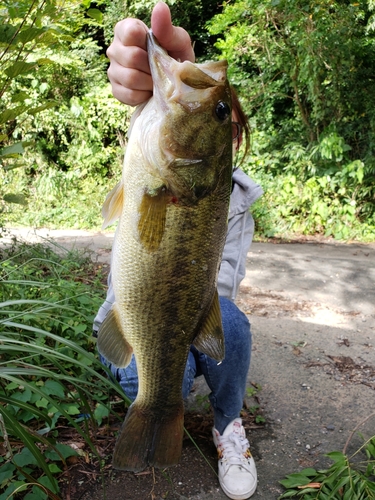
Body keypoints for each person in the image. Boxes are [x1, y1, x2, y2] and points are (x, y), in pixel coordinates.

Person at [93, 3, 263, 499]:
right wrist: (147, 90)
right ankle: (164, 401)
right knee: (162, 376)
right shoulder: (158, 165)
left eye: (219, 112)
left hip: (189, 315)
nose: (211, 101)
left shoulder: (227, 203)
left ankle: (226, 424)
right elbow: (147, 141)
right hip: (139, 321)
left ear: (230, 138)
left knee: (231, 321)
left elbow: (218, 291)